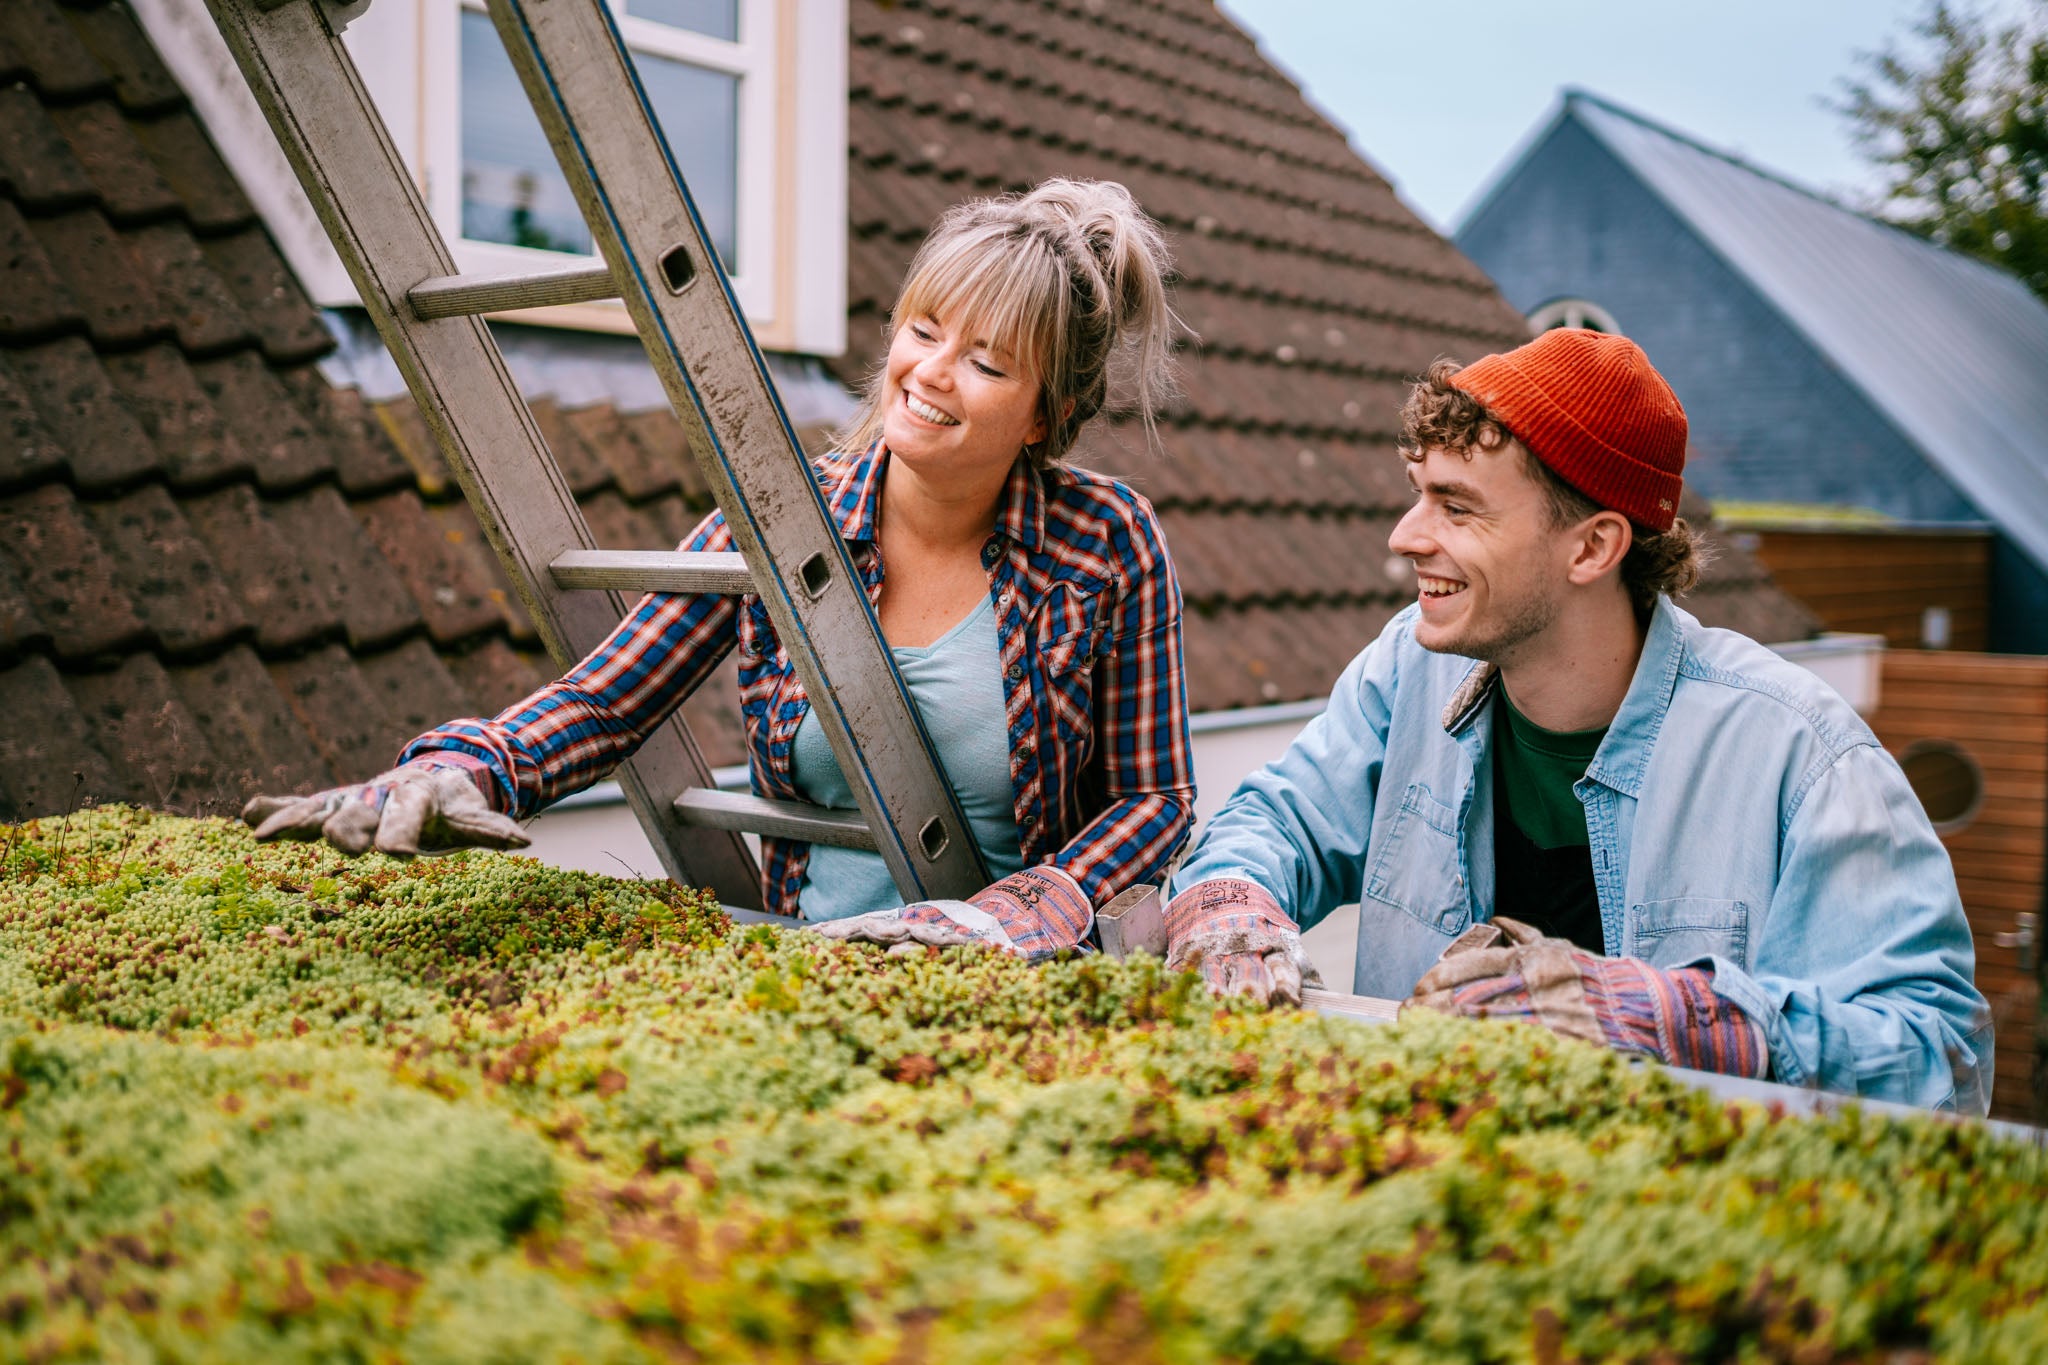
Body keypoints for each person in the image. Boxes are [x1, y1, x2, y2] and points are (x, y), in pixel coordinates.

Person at [244, 178, 1196, 961]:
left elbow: (1157, 799)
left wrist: (1025, 912)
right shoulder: (783, 520)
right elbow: (604, 701)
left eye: (987, 361)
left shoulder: (1108, 545)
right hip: (809, 966)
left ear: (1043, 414)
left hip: (1020, 988)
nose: (931, 371)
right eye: (924, 328)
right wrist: (468, 769)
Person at [1164, 328, 1992, 1113]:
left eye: (1456, 507)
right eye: (1419, 496)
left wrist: (1679, 1018)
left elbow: (1942, 1057)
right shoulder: (1407, 671)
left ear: (1592, 548)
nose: (1406, 536)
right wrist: (1228, 899)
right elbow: (1275, 821)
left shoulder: (1802, 751)